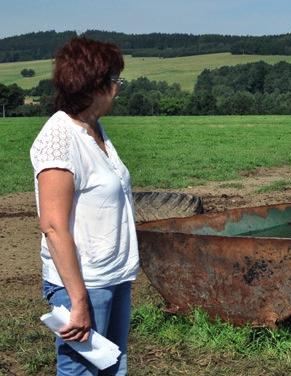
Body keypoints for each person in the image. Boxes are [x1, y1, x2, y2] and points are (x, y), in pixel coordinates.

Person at [30, 37, 137, 375]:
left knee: (113, 368)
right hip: (84, 282)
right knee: (80, 371)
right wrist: (77, 300)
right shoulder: (59, 138)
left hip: (113, 276)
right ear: (94, 85)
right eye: (115, 81)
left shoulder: (95, 130)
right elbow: (53, 226)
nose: (118, 90)